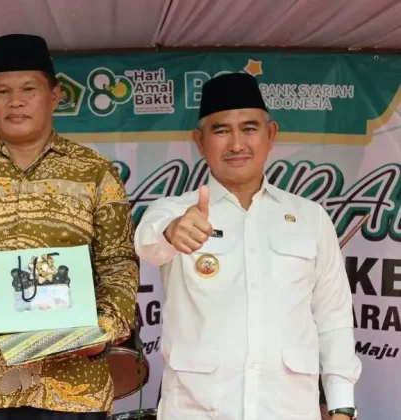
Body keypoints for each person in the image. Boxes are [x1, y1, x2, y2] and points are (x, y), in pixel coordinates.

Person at [0, 34, 139, 420]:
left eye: (28, 89)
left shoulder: (95, 171)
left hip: (75, 386)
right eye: (3, 91)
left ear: (54, 95)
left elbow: (119, 262)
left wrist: (102, 331)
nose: (15, 101)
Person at [134, 72, 361, 420]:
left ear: (271, 135)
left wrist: (342, 404)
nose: (237, 144)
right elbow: (147, 244)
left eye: (249, 128)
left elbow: (333, 315)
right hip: (197, 411)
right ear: (200, 141)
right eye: (221, 131)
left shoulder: (310, 217)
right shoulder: (173, 211)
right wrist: (172, 232)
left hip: (288, 410)